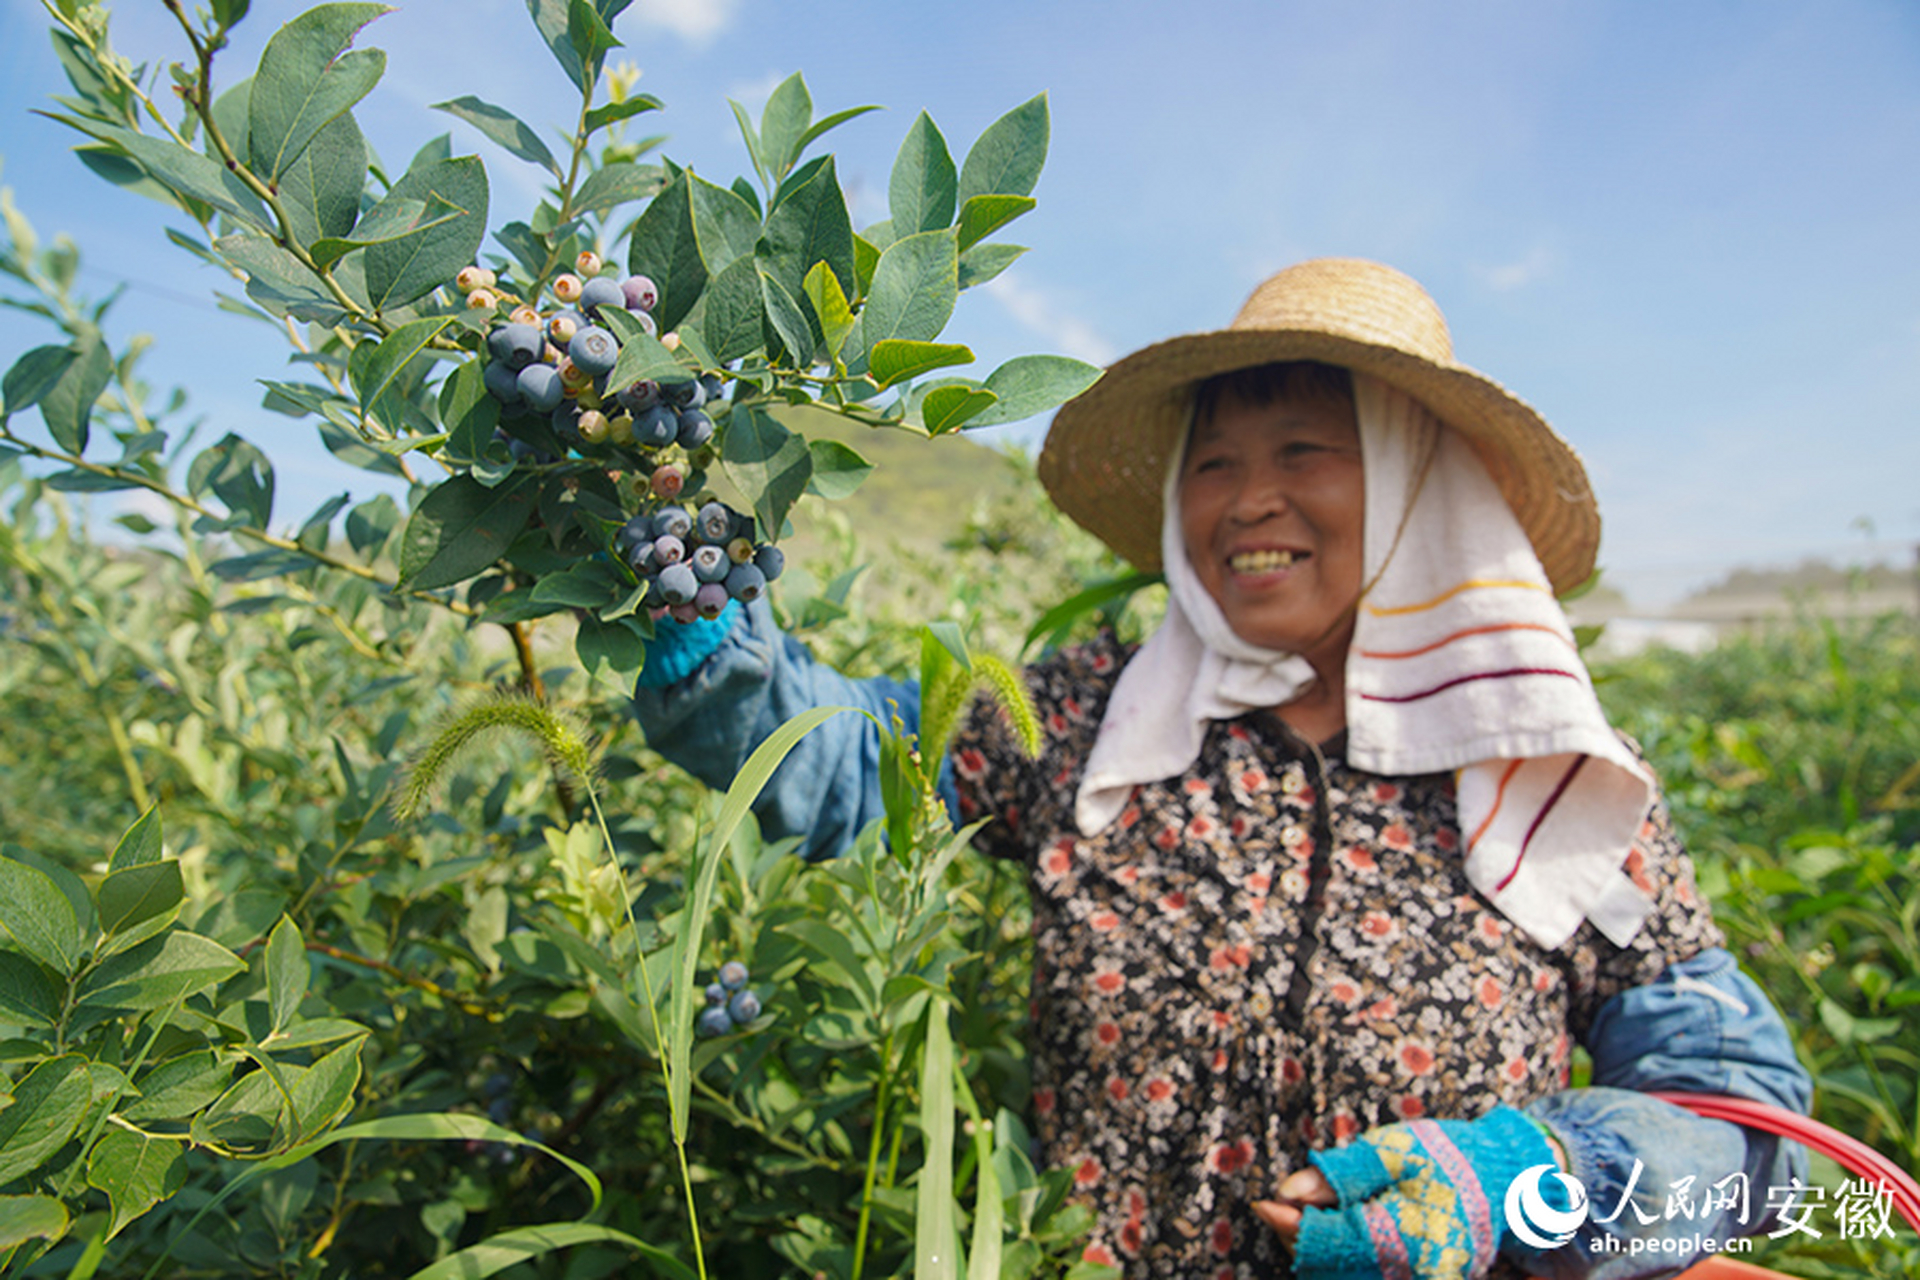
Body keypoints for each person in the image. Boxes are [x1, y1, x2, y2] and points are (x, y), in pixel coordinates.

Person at [633, 259, 1812, 1279]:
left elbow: (1748, 1129)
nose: (1250, 498)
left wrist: (1531, 1175)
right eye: (1214, 462)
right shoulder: (1097, 713)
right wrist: (704, 618)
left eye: (1307, 449)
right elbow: (844, 762)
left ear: (1412, 485)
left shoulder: (1556, 773)